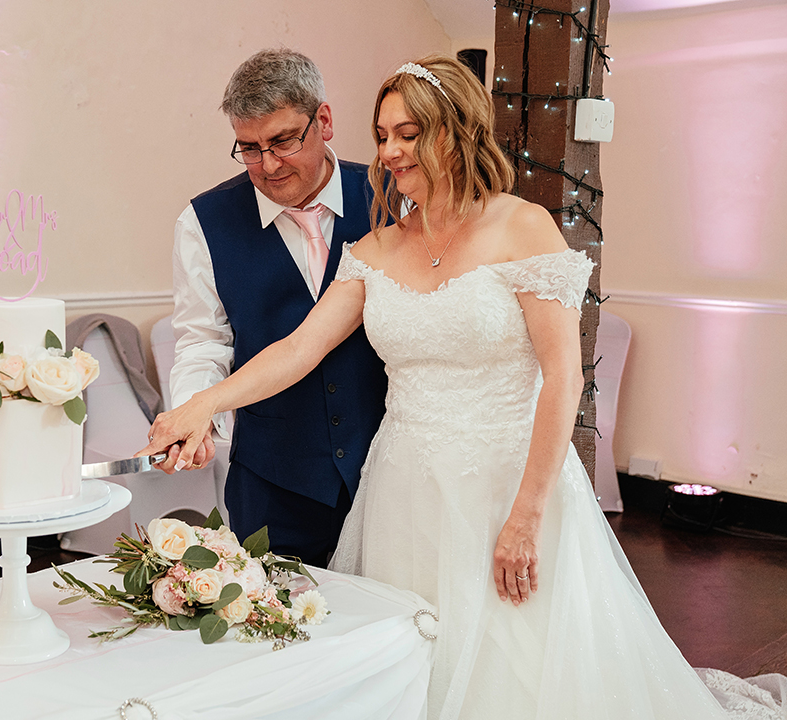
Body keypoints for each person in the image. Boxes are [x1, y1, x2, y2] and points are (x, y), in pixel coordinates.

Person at [141, 55, 784, 718]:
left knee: (521, 667)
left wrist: (527, 515)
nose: (389, 150)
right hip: (404, 487)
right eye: (384, 133)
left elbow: (564, 377)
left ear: (457, 130)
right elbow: (298, 349)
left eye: (409, 133)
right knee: (414, 660)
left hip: (509, 482)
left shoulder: (522, 226)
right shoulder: (378, 248)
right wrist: (200, 405)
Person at [161, 48, 387, 568]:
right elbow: (204, 340)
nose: (267, 164)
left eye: (283, 141)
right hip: (272, 481)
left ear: (323, 121)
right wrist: (197, 418)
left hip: (386, 469)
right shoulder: (202, 222)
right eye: (249, 147)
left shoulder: (390, 198)